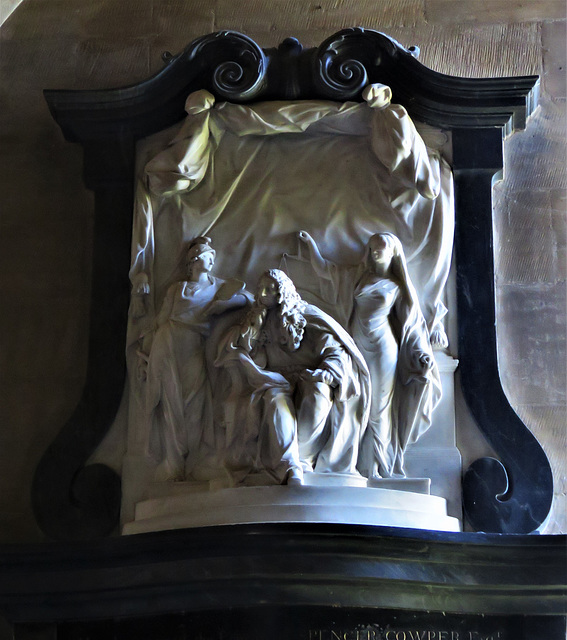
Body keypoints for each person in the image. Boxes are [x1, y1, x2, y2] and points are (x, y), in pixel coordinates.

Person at [296, 231, 441, 478]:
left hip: (384, 349)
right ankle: (351, 463)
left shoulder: (398, 287)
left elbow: (413, 326)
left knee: (378, 408)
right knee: (354, 400)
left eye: (381, 247)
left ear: (394, 251)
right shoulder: (357, 277)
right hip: (356, 345)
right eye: (372, 247)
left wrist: (422, 354)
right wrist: (310, 246)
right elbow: (325, 271)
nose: (375, 251)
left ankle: (379, 467)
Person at [216, 269, 370, 485]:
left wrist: (326, 372)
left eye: (269, 289)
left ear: (281, 292)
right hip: (275, 381)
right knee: (274, 400)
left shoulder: (305, 316)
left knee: (317, 395)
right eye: (260, 288)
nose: (262, 293)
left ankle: (303, 457)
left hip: (310, 378)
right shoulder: (258, 320)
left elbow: (335, 350)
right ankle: (290, 466)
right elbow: (252, 357)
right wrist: (252, 333)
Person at [144, 237, 250, 482]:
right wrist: (147, 353)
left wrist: (225, 305)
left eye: (213, 256)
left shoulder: (218, 287)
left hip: (193, 345)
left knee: (195, 402)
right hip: (168, 342)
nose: (211, 259)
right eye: (206, 255)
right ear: (193, 261)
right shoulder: (176, 289)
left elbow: (250, 298)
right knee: (170, 402)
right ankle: (173, 464)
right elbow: (161, 320)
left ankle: (193, 460)